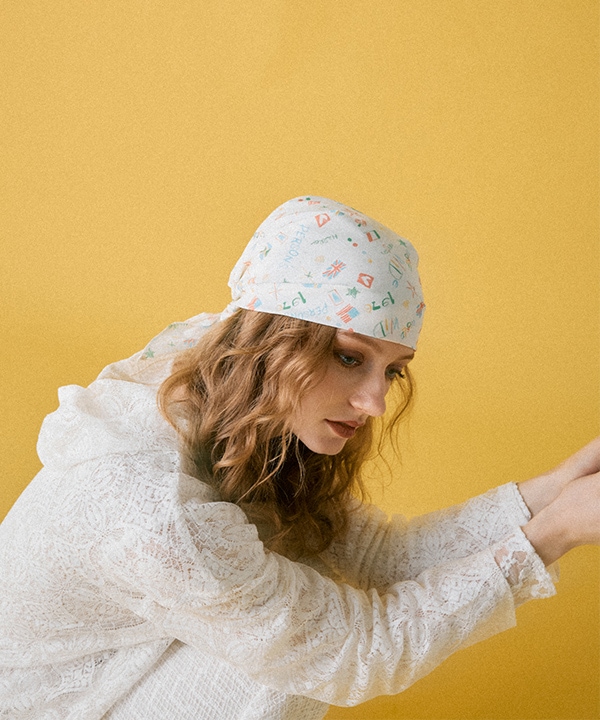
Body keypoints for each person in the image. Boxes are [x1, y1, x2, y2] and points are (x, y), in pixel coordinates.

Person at [0, 196, 598, 720]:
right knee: (291, 659)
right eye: (349, 357)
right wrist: (556, 533)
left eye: (392, 370)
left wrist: (560, 486)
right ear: (272, 341)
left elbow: (379, 559)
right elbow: (353, 651)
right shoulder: (153, 507)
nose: (375, 402)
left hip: (131, 672)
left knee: (301, 587)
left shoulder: (237, 402)